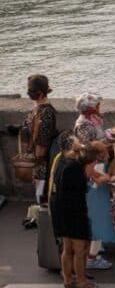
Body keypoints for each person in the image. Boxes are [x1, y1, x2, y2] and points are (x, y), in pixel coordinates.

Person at [73, 93, 115, 271]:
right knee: (100, 214)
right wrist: (111, 142)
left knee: (103, 213)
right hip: (97, 173)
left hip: (99, 171)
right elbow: (91, 150)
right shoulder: (84, 126)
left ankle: (97, 248)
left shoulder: (91, 121)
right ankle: (92, 256)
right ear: (91, 108)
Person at [51, 140, 109, 288]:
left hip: (60, 210)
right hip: (74, 212)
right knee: (80, 249)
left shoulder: (66, 161)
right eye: (93, 164)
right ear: (87, 161)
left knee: (67, 249)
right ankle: (83, 282)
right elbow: (82, 188)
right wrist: (92, 178)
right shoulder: (75, 170)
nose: (94, 168)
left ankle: (68, 282)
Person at [20, 74, 58, 204]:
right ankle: (43, 216)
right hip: (41, 160)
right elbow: (42, 140)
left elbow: (39, 139)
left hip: (38, 160)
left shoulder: (39, 112)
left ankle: (42, 215)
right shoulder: (43, 111)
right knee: (42, 191)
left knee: (41, 191)